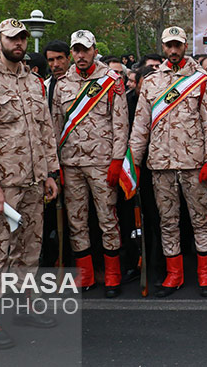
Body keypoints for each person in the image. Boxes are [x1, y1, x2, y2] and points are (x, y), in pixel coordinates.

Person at [0, 19, 60, 349]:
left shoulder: (33, 81)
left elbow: (45, 130)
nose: (18, 43)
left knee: (28, 251)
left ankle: (24, 307)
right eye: (11, 38)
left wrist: (50, 172)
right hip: (2, 185)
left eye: (21, 38)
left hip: (32, 182)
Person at [129, 26, 207, 297]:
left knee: (200, 219)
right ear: (163, 46)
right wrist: (134, 160)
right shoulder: (152, 81)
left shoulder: (202, 79)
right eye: (168, 45)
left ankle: (206, 273)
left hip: (193, 162)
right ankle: (174, 274)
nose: (172, 50)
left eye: (177, 45)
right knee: (168, 221)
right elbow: (141, 124)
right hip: (160, 163)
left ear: (184, 46)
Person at [51, 30, 129, 297]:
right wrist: (55, 165)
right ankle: (84, 275)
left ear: (95, 50)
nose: (81, 55)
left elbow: (121, 125)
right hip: (71, 163)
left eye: (85, 50)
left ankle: (113, 275)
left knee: (108, 219)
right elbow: (55, 126)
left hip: (102, 163)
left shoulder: (111, 81)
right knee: (76, 221)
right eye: (76, 50)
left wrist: (117, 160)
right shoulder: (62, 84)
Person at [44, 40, 70, 107]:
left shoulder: (82, 83)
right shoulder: (45, 86)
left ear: (68, 58)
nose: (56, 64)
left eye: (59, 58)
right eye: (51, 60)